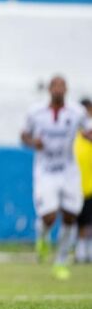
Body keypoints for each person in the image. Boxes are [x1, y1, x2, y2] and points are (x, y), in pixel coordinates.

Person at [21, 75, 92, 280]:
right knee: (49, 217)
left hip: (68, 170)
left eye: (62, 86)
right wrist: (33, 142)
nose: (59, 89)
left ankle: (61, 261)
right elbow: (24, 135)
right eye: (55, 86)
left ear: (67, 90)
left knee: (70, 215)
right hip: (46, 170)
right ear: (50, 89)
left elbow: (87, 130)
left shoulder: (77, 112)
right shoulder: (36, 112)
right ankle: (42, 238)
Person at [75, 98, 92, 263]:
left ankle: (87, 251)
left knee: (88, 221)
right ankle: (79, 252)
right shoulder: (73, 131)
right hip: (74, 185)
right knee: (77, 220)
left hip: (90, 184)